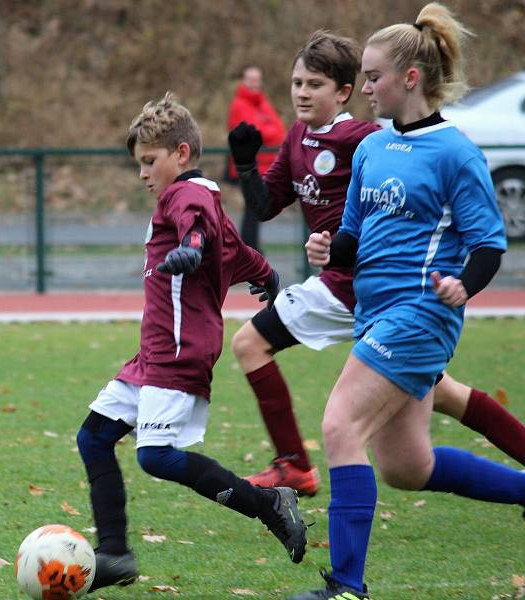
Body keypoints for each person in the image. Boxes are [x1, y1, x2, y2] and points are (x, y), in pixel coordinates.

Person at [288, 5, 525, 598]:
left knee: (340, 425)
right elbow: (353, 236)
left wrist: (462, 285)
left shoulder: (455, 152)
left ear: (410, 79)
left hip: (421, 316)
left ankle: (346, 586)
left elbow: (488, 245)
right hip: (376, 315)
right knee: (405, 467)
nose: (364, 87)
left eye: (373, 77)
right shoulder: (371, 149)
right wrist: (328, 248)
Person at [227, 30, 525, 499]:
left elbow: (415, 151)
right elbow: (265, 205)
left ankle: (295, 466)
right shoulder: (298, 138)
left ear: (344, 92)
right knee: (422, 437)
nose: (302, 93)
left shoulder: (365, 138)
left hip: (359, 288)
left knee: (251, 345)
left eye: (314, 84)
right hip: (357, 286)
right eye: (296, 83)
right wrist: (245, 166)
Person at [75, 92, 307, 593]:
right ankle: (114, 551)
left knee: (155, 456)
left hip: (180, 349)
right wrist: (265, 274)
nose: (143, 173)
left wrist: (191, 247)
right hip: (154, 352)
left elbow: (199, 230)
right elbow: (236, 249)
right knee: (92, 438)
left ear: (181, 153)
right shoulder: (199, 200)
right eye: (139, 163)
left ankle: (268, 503)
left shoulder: (188, 195)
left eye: (149, 161)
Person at [226, 65, 286, 251]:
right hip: (251, 165)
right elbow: (258, 131)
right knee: (253, 209)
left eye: (257, 79)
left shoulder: (262, 102)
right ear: (244, 81)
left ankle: (250, 247)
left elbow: (279, 131)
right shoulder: (240, 104)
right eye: (250, 79)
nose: (254, 83)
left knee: (254, 209)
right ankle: (249, 248)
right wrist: (270, 130)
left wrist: (271, 130)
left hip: (265, 165)